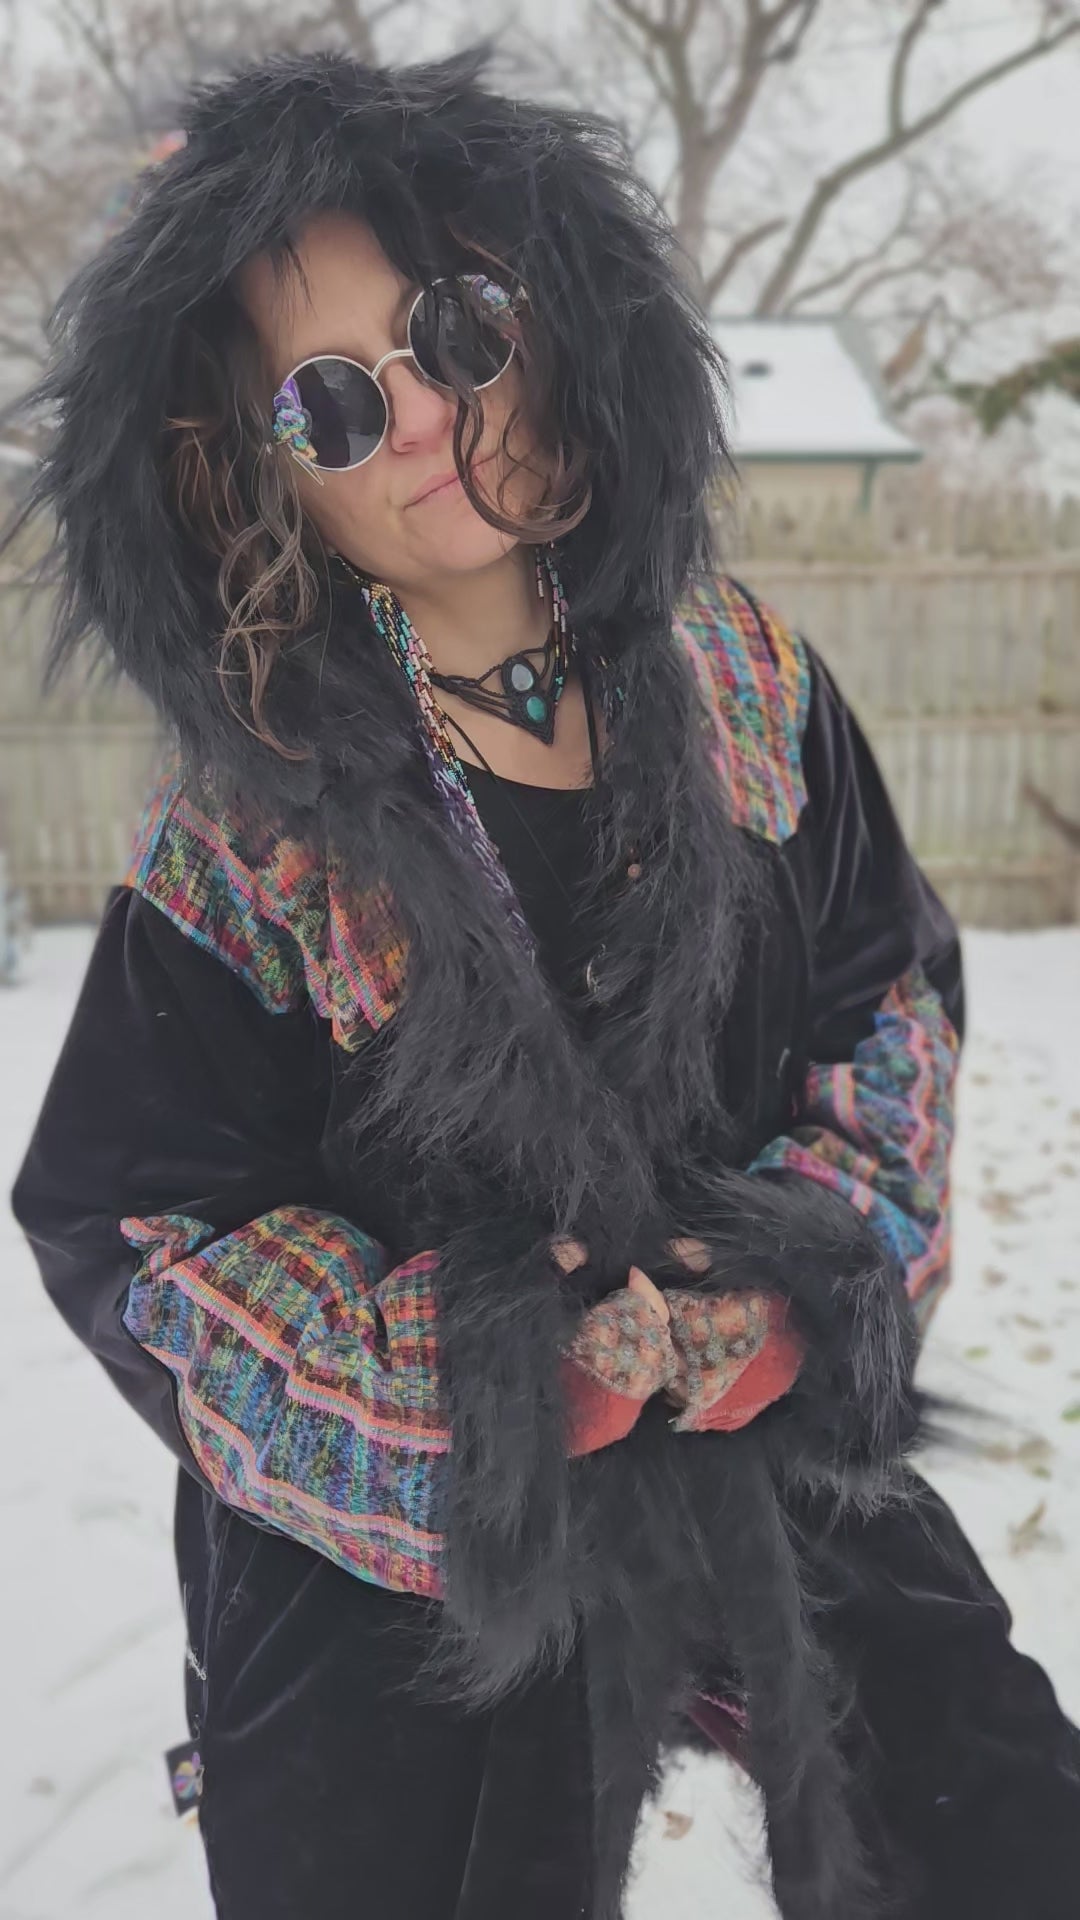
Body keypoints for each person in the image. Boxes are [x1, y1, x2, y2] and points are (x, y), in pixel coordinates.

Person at [8, 47, 1080, 1920]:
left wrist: (797, 1289)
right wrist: (482, 1387)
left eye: (456, 330)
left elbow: (884, 1011)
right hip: (428, 1542)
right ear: (255, 468)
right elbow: (146, 1222)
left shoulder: (746, 682)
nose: (422, 416)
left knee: (996, 1814)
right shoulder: (251, 822)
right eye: (335, 400)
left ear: (557, 322)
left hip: (753, 1432)